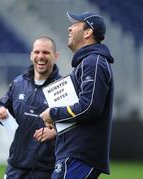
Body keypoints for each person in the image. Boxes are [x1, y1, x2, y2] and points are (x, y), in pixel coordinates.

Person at [40, 12, 114, 179]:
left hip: (80, 154)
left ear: (88, 32)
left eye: (75, 24)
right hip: (74, 152)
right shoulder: (88, 62)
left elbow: (89, 107)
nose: (69, 27)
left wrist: (54, 114)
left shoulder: (93, 62)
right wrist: (58, 129)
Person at [0, 36, 61, 179]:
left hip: (46, 170)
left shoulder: (63, 87)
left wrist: (55, 132)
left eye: (46, 52)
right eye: (37, 52)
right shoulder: (18, 83)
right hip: (15, 168)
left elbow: (76, 127)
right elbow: (1, 108)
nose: (40, 56)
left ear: (56, 56)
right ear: (31, 55)